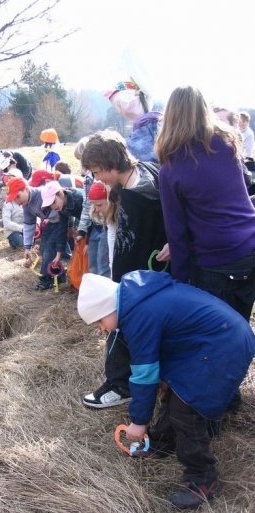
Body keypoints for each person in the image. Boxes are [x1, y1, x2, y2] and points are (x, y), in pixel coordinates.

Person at [77, 271, 255, 509]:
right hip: (214, 339)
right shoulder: (137, 299)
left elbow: (144, 374)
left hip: (224, 344)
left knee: (187, 410)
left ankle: (203, 479)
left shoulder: (138, 315)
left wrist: (139, 422)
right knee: (176, 393)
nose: (100, 329)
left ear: (108, 308)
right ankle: (162, 442)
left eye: (99, 321)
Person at [79, 129, 168, 408]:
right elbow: (115, 233)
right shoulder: (121, 187)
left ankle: (120, 386)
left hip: (149, 275)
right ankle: (124, 382)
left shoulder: (145, 186)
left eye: (97, 171)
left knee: (127, 330)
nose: (96, 178)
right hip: (130, 276)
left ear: (110, 163)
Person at [155, 86, 255, 322]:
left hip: (216, 261)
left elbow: (176, 233)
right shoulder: (228, 146)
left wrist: (180, 284)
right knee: (240, 326)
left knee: (217, 336)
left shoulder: (171, 169)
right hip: (250, 247)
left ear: (170, 117)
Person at [5, 177, 66, 291]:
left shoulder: (41, 194)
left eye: (18, 196)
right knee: (44, 248)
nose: (17, 202)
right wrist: (27, 247)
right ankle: (61, 274)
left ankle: (46, 280)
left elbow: (59, 207)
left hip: (62, 221)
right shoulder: (26, 205)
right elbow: (29, 225)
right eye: (14, 199)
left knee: (49, 248)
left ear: (26, 189)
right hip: (52, 223)